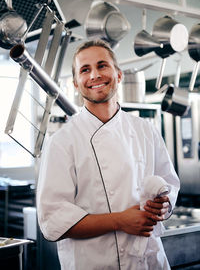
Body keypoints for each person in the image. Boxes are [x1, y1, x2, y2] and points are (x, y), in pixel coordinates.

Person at [37, 39, 180, 270]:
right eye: (85, 70)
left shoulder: (145, 130)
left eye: (102, 65)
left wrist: (164, 206)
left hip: (149, 261)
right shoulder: (61, 142)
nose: (94, 75)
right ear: (76, 83)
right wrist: (119, 221)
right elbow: (53, 221)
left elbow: (170, 184)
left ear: (119, 75)